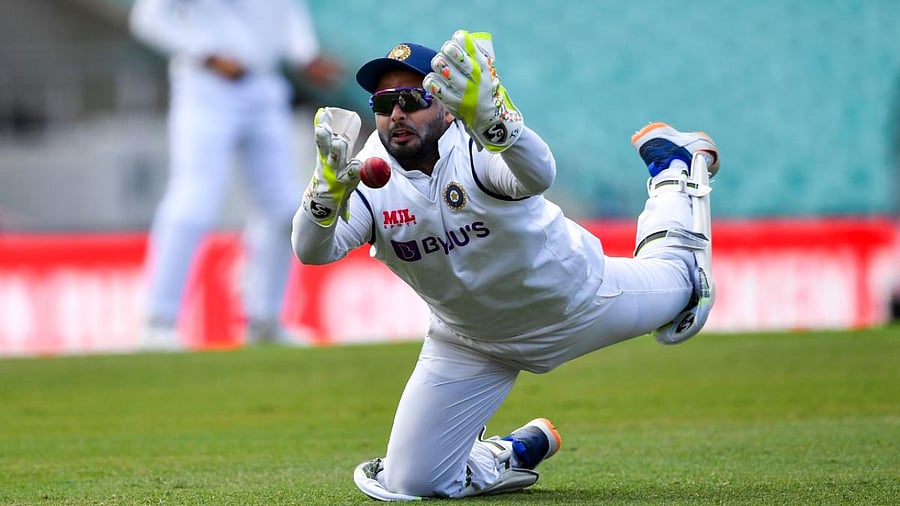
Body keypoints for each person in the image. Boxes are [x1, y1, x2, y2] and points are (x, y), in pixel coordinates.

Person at [291, 30, 720, 500]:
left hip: (577, 304)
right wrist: (322, 199)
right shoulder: (368, 174)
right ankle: (507, 453)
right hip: (469, 342)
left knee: (684, 288)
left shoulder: (477, 148)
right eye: (384, 101)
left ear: (448, 106)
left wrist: (495, 122)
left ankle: (674, 170)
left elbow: (538, 174)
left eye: (413, 98)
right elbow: (313, 251)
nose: (396, 113)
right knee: (410, 483)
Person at [129, 0, 343, 350]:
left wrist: (306, 56)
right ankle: (159, 321)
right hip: (206, 87)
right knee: (193, 201)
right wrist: (207, 53)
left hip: (265, 87)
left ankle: (265, 321)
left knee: (284, 209)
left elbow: (287, 13)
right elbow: (148, 18)